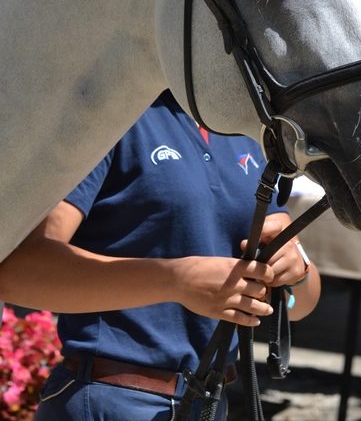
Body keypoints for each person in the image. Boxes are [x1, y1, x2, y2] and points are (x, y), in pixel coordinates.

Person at [0, 90, 320, 421]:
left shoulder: (243, 130)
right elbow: (20, 272)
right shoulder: (110, 118)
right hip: (110, 398)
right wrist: (176, 280)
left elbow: (301, 306)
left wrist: (298, 271)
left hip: (209, 403)